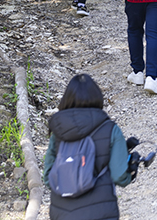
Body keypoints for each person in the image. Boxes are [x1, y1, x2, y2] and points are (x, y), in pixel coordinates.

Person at [43, 74, 133, 219]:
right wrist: (130, 172)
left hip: (61, 213)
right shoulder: (110, 129)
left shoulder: (58, 132)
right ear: (97, 98)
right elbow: (119, 175)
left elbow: (48, 176)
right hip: (100, 212)